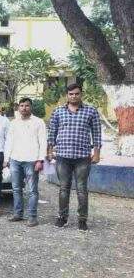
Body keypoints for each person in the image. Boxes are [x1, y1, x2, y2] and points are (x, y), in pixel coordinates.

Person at [47, 83, 102, 231]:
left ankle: (82, 220)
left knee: (82, 189)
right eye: (71, 94)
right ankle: (62, 217)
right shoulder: (58, 111)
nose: (74, 96)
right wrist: (50, 151)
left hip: (82, 157)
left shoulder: (91, 111)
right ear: (67, 95)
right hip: (62, 157)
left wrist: (97, 153)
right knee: (63, 188)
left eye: (77, 93)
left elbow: (96, 133)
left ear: (81, 94)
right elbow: (52, 133)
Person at [4, 97, 47, 227]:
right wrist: (6, 159)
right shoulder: (14, 123)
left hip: (32, 160)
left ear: (31, 107)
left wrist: (40, 160)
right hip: (15, 159)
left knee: (32, 190)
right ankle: (18, 214)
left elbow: (43, 142)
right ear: (18, 107)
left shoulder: (38, 122)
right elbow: (9, 142)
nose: (24, 108)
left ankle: (32, 217)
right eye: (21, 106)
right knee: (16, 188)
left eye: (27, 105)